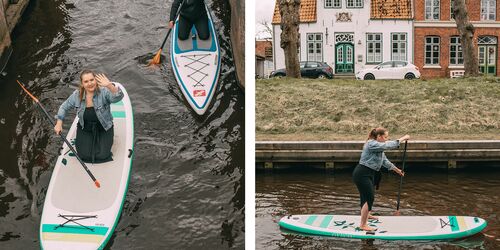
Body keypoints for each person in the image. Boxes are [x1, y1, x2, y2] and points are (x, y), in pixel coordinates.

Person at [54, 70, 124, 164]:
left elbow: (118, 97)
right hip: (85, 128)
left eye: (92, 80)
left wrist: (109, 85)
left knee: (103, 155)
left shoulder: (104, 91)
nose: (90, 83)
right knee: (83, 155)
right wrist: (59, 123)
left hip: (104, 127)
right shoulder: (77, 95)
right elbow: (64, 107)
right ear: (82, 84)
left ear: (96, 80)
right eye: (86, 81)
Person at [352, 127, 410, 231]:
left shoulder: (378, 149)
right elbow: (387, 145)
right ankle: (363, 225)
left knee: (366, 196)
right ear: (379, 137)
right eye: (386, 137)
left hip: (370, 173)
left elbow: (385, 162)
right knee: (368, 197)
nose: (387, 139)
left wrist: (397, 170)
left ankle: (368, 215)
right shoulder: (371, 144)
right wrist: (402, 139)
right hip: (362, 174)